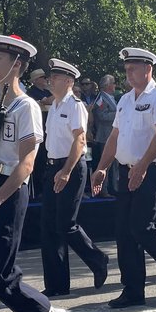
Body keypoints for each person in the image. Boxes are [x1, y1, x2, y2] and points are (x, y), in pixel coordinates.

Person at [0, 34, 72, 312]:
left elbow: (27, 163)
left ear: (17, 64)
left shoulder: (27, 107)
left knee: (0, 276)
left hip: (7, 192)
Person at [91, 47, 156, 309]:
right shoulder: (124, 100)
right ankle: (133, 290)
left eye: (133, 68)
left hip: (152, 169)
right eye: (126, 69)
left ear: (148, 69)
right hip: (126, 169)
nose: (128, 73)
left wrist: (142, 166)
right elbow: (114, 137)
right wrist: (102, 167)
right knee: (124, 231)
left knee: (141, 225)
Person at [38, 58, 109, 296]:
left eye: (56, 77)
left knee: (65, 224)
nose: (51, 80)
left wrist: (66, 171)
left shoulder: (74, 105)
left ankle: (98, 260)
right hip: (52, 166)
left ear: (68, 81)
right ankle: (57, 284)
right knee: (49, 227)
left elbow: (80, 140)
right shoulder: (55, 105)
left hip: (70, 166)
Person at [88, 75, 117, 197]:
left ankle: (113, 188)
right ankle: (103, 190)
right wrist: (118, 114)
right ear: (108, 85)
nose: (115, 85)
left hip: (112, 135)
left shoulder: (110, 97)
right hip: (105, 135)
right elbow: (102, 116)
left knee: (113, 165)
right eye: (114, 83)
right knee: (105, 164)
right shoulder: (101, 99)